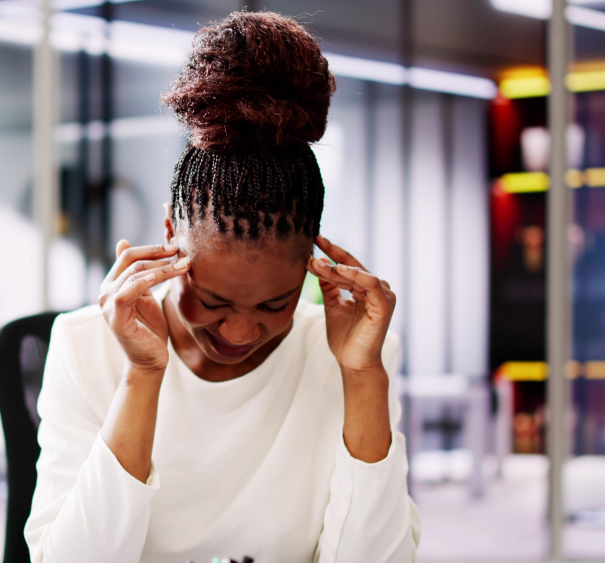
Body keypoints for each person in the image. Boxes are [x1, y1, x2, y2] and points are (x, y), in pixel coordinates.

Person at [24, 11, 420, 563]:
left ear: (312, 263)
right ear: (168, 237)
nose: (239, 330)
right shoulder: (86, 345)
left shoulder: (349, 357)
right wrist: (142, 376)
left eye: (274, 304)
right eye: (212, 300)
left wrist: (363, 379)